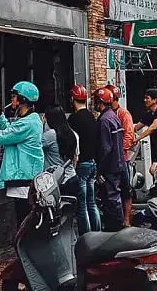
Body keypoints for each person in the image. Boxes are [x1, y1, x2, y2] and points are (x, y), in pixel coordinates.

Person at [0, 81, 44, 226]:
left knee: (24, 225)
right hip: (27, 180)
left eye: (14, 96)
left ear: (22, 99)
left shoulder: (27, 123)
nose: (11, 99)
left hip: (24, 183)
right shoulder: (30, 119)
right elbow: (10, 130)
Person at [67, 84, 101, 235]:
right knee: (92, 202)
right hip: (92, 163)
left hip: (81, 165)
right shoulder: (92, 117)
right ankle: (97, 233)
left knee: (82, 205)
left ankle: (86, 237)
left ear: (72, 99)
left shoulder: (73, 119)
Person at [94, 86, 125, 231]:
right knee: (115, 197)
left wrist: (99, 169)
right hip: (118, 163)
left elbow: (105, 148)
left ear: (100, 102)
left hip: (110, 166)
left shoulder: (104, 120)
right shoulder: (113, 116)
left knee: (111, 198)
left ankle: (115, 229)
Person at [108, 85, 134, 226]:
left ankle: (127, 219)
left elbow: (129, 136)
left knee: (125, 190)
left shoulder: (123, 114)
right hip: (111, 159)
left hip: (122, 159)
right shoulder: (107, 114)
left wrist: (119, 152)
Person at [42, 105, 79, 193]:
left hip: (57, 181)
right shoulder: (73, 134)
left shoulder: (50, 135)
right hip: (72, 177)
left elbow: (35, 146)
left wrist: (41, 124)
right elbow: (75, 159)